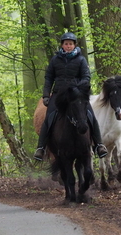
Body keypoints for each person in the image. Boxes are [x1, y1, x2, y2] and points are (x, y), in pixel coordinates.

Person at [34, 32, 108, 161]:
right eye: (66, 44)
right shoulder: (55, 60)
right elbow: (49, 78)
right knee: (49, 118)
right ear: (62, 45)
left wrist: (78, 89)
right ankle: (41, 148)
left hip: (76, 95)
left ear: (75, 45)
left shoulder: (81, 60)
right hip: (58, 95)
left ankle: (99, 145)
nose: (68, 46)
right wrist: (46, 95)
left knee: (90, 116)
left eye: (71, 44)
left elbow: (86, 77)